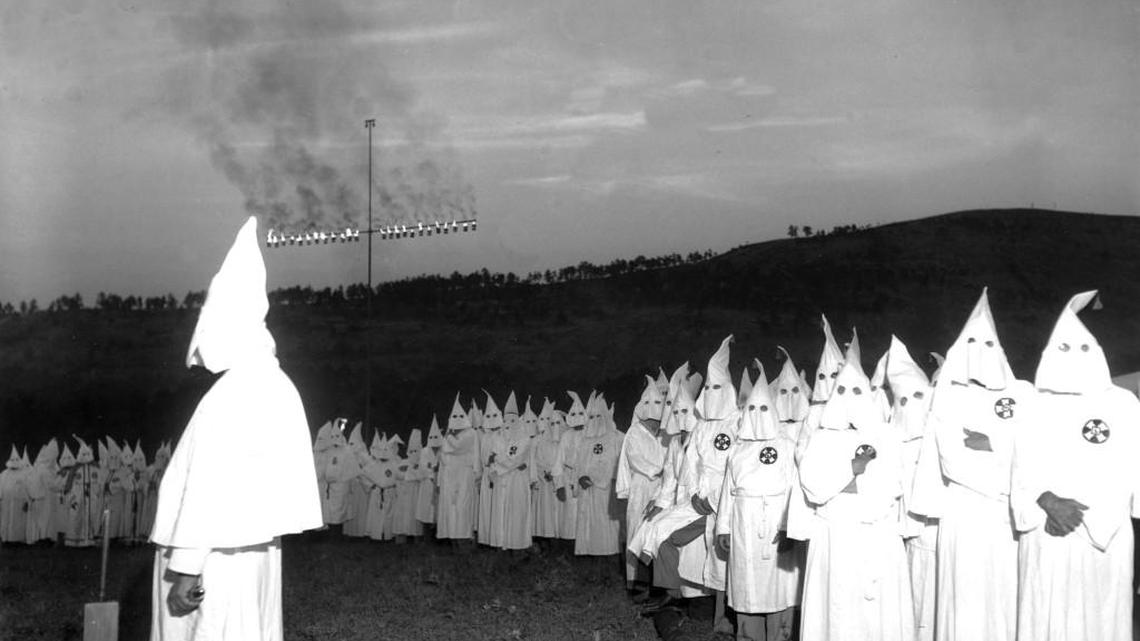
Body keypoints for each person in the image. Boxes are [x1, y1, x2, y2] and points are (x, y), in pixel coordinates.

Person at [149, 216, 322, 641]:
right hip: (253, 554)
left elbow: (209, 484)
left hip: (214, 562)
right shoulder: (276, 382)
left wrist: (187, 567)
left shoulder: (234, 391)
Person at [1011, 291, 1140, 641]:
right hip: (1046, 529)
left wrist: (1088, 519)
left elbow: (1132, 469)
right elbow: (1021, 467)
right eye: (1064, 349)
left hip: (1107, 535)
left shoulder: (1123, 404)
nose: (1074, 358)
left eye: (1083, 349)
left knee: (1103, 618)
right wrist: (1048, 503)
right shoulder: (1033, 404)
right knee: (1047, 615)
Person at [917, 288, 1031, 641]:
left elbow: (1036, 447)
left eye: (989, 346)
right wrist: (1008, 456)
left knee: (1007, 596)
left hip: (1010, 516)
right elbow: (954, 458)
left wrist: (993, 442)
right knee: (964, 600)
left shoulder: (1022, 393)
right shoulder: (949, 396)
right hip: (965, 513)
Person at [798, 358, 913, 641]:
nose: (849, 400)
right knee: (836, 610)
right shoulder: (822, 438)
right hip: (833, 535)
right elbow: (813, 486)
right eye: (842, 392)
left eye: (857, 392)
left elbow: (894, 484)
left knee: (876, 617)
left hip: (876, 534)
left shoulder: (886, 435)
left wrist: (845, 484)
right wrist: (850, 470)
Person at [716, 362, 800, 641]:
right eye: (752, 409)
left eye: (764, 408)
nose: (757, 414)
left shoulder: (787, 446)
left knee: (778, 587)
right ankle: (749, 637)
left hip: (776, 520)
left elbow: (795, 489)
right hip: (743, 524)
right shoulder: (737, 450)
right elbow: (728, 492)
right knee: (746, 585)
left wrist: (790, 527)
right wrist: (723, 528)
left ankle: (780, 636)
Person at [886, 336, 937, 641]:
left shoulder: (939, 438)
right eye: (902, 400)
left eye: (917, 397)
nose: (909, 406)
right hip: (909, 538)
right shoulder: (892, 443)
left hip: (941, 535)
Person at [615, 376, 669, 591]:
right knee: (638, 530)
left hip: (664, 490)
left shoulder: (666, 434)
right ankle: (635, 582)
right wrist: (662, 469)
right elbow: (637, 460)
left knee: (659, 534)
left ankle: (658, 583)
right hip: (642, 487)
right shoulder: (634, 433)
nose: (655, 422)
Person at [572, 394, 624, 556]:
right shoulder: (585, 440)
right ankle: (589, 555)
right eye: (592, 417)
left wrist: (598, 479)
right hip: (587, 489)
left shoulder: (616, 437)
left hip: (606, 489)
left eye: (598, 416)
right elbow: (579, 463)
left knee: (605, 523)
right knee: (588, 523)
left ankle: (609, 555)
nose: (595, 420)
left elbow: (616, 462)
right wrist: (580, 477)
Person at [436, 394, 479, 541]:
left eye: (460, 416)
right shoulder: (450, 434)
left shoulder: (470, 433)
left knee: (462, 504)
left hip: (463, 474)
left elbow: (458, 447)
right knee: (450, 505)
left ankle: (464, 538)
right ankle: (452, 538)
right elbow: (442, 456)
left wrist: (448, 437)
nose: (457, 420)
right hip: (450, 474)